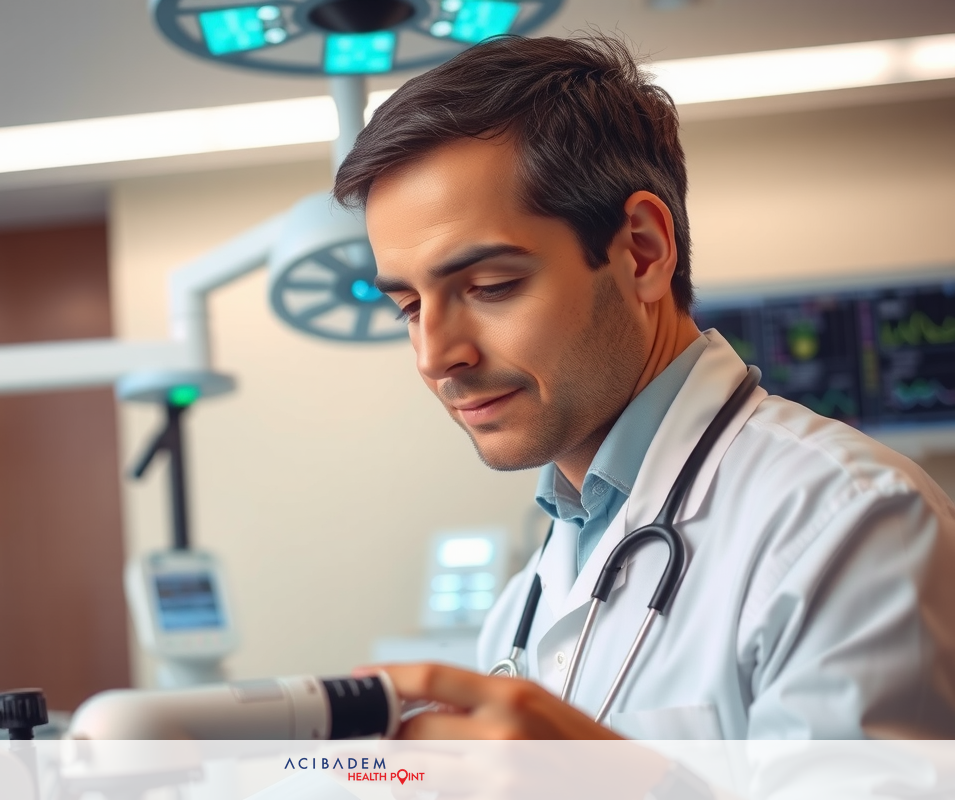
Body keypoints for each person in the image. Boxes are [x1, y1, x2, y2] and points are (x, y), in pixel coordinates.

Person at [334, 34, 955, 741]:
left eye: (489, 287)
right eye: (409, 308)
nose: (436, 356)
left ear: (642, 252)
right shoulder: (522, 609)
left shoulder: (850, 522)